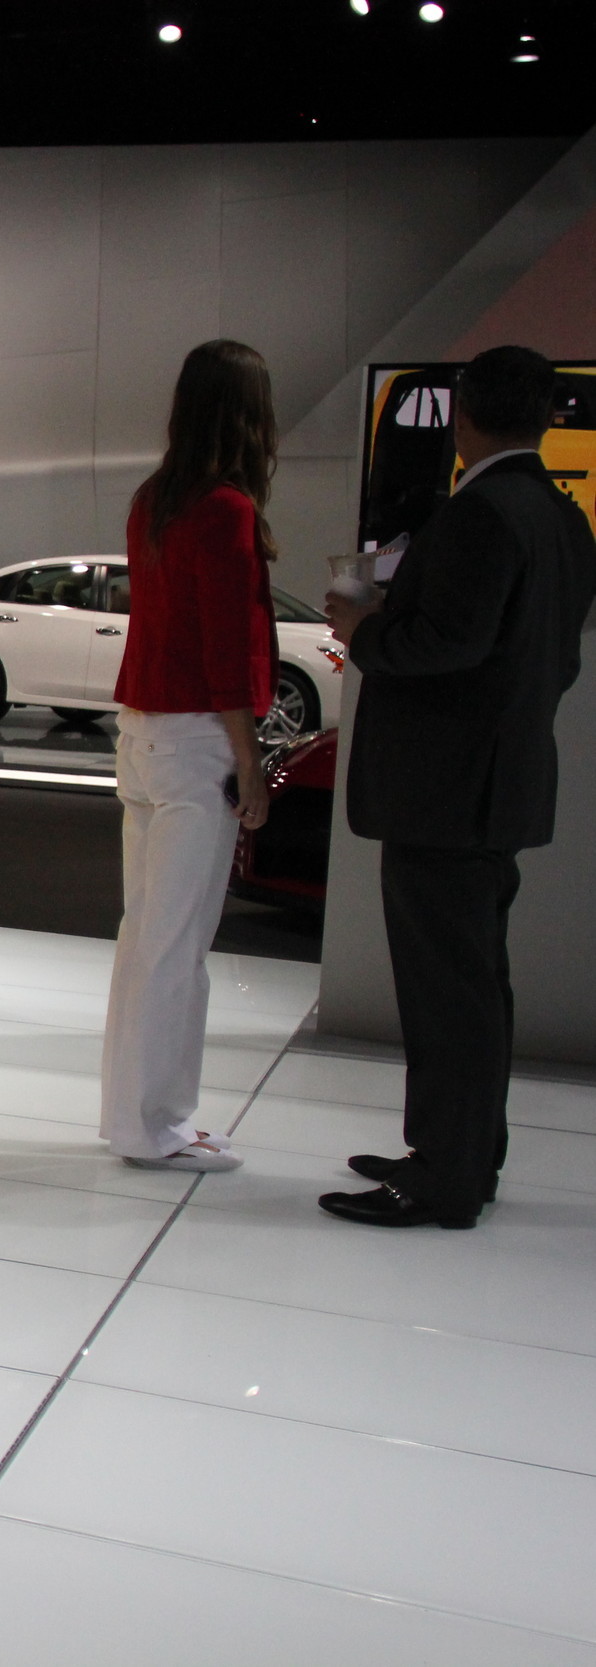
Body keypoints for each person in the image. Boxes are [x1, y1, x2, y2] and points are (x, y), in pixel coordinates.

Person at [320, 345, 596, 1228]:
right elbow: (549, 657)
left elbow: (446, 644)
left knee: (449, 990)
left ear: (464, 418)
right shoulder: (561, 517)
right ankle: (464, 1153)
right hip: (498, 783)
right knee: (474, 985)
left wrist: (365, 628)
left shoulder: (484, 515)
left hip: (447, 791)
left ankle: (443, 1175)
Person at [99, 340, 282, 1174]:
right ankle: (156, 1126)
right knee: (176, 945)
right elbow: (223, 653)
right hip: (194, 738)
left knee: (147, 938)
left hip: (141, 732)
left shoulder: (155, 500)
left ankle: (133, 1117)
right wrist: (249, 763)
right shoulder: (226, 510)